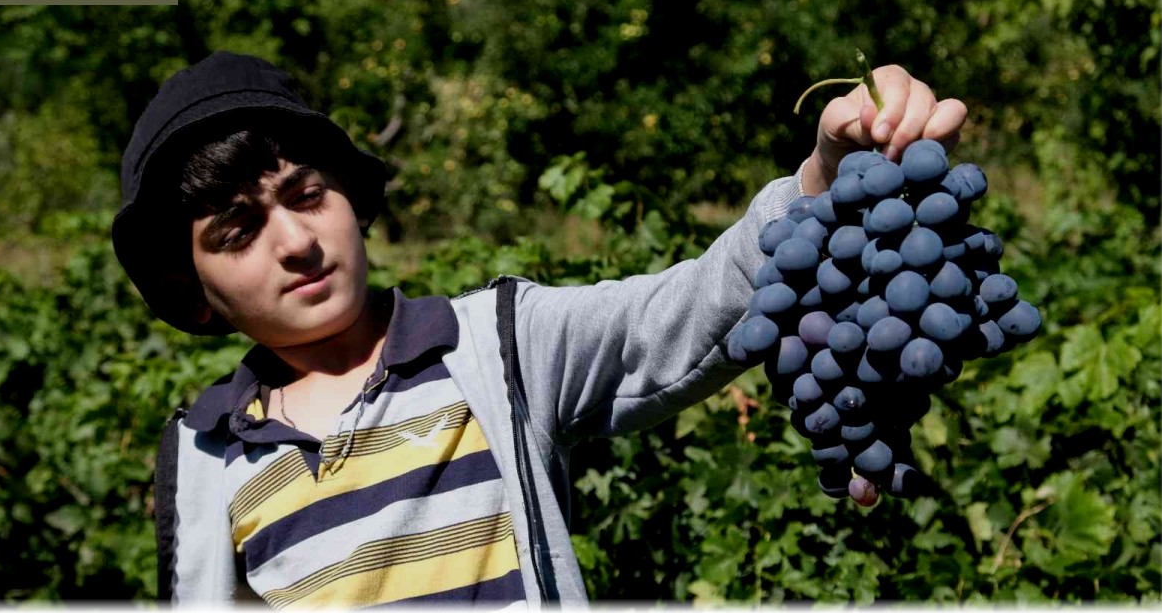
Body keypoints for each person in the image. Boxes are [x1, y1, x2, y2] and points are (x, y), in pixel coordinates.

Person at [111, 51, 965, 607]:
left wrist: (818, 179)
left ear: (352, 200)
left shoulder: (498, 345)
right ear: (195, 295)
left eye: (306, 194)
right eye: (237, 229)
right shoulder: (204, 460)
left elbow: (688, 308)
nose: (295, 241)